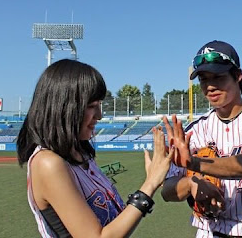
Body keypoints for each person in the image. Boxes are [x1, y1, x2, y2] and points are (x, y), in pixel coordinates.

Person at [17, 59, 174, 238]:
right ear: (63, 108)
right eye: (91, 106)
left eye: (99, 105)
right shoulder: (48, 163)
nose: (99, 115)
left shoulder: (81, 155)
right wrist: (150, 183)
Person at [161, 40, 242, 238]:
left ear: (238, 76)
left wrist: (195, 163)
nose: (210, 86)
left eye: (218, 77)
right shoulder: (195, 129)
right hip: (208, 233)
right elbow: (167, 191)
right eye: (203, 79)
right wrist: (191, 184)